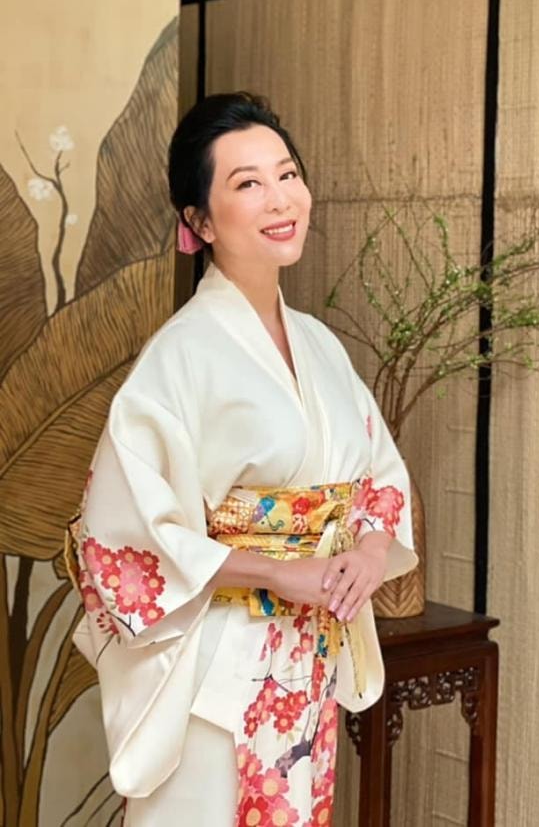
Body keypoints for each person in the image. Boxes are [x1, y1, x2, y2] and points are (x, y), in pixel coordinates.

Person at [65, 91, 418, 826]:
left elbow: (377, 477)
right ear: (199, 221)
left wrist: (369, 549)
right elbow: (127, 537)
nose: (280, 198)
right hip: (219, 668)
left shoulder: (319, 344)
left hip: (306, 658)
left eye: (287, 174)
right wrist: (276, 571)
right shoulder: (178, 357)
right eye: (248, 183)